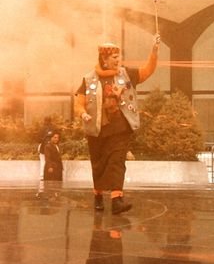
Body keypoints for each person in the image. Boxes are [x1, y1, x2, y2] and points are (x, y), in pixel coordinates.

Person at [75, 35, 160, 215]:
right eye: (114, 58)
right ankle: (98, 196)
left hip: (120, 128)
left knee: (117, 162)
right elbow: (79, 102)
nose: (118, 61)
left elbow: (148, 70)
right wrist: (82, 114)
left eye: (118, 57)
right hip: (97, 129)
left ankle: (116, 200)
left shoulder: (127, 74)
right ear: (104, 60)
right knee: (98, 164)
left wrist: (154, 51)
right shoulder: (88, 79)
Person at [38, 116, 56, 180]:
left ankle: (42, 176)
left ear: (44, 121)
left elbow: (39, 139)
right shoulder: (54, 128)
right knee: (51, 161)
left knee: (43, 161)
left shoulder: (42, 128)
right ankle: (52, 175)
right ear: (51, 121)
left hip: (43, 148)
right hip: (52, 147)